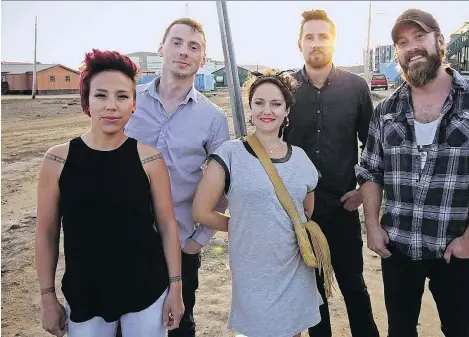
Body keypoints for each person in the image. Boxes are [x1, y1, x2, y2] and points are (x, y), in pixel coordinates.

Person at [356, 9, 469, 337]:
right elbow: (370, 171)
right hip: (398, 247)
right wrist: (372, 226)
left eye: (419, 37)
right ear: (397, 53)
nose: (411, 47)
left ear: (440, 42)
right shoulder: (385, 112)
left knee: (463, 330)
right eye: (402, 42)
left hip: (453, 249)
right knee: (400, 330)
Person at [35, 49, 184, 337]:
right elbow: (46, 232)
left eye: (122, 96)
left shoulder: (150, 159)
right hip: (84, 294)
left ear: (134, 104)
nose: (111, 106)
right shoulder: (57, 160)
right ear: (86, 102)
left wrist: (175, 287)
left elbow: (167, 225)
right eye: (101, 95)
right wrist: (47, 298)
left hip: (147, 291)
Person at [192, 69, 323, 337]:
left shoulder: (300, 158)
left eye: (276, 104)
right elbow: (201, 211)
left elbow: (306, 210)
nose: (267, 110)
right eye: (259, 102)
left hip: (294, 264)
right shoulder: (229, 154)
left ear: (287, 111)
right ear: (250, 109)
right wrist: (242, 224)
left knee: (292, 330)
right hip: (252, 266)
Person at [123, 18, 230, 337]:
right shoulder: (128, 101)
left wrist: (200, 240)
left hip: (182, 243)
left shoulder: (213, 118)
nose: (184, 51)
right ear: (162, 49)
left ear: (203, 60)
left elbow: (223, 186)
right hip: (124, 241)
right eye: (177, 42)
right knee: (123, 323)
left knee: (179, 325)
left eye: (193, 47)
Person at [283, 9, 380, 337]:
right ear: (299, 44)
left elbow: (373, 147)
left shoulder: (356, 88)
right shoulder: (285, 87)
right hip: (299, 212)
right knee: (313, 294)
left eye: (323, 36)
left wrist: (363, 191)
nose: (316, 43)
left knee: (354, 286)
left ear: (334, 41)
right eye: (309, 37)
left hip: (342, 207)